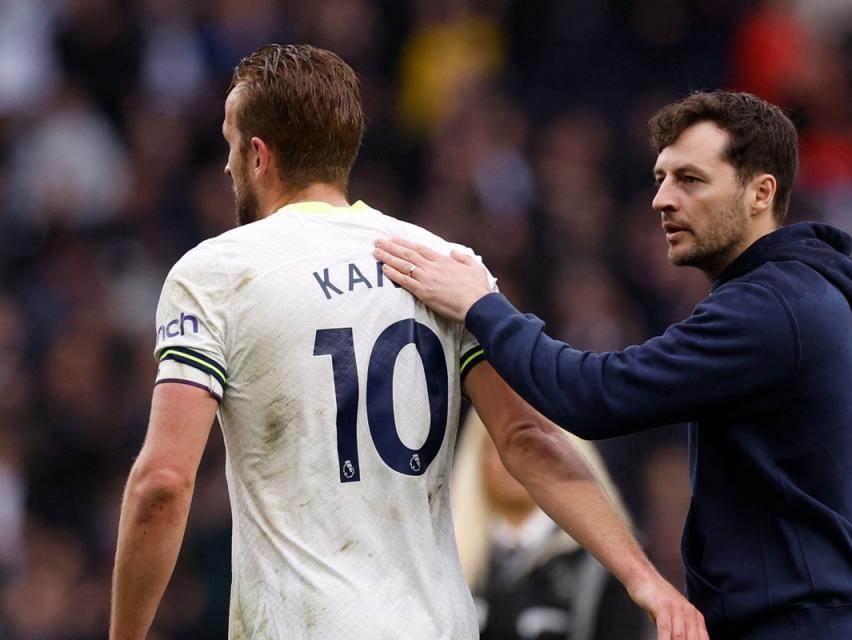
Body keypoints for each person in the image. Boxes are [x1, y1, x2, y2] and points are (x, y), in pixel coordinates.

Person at [109, 44, 707, 640]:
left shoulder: (216, 273)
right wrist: (644, 579)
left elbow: (163, 482)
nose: (225, 166)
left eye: (230, 144)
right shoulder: (442, 263)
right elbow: (528, 437)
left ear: (258, 156)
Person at [374, 90, 852, 639]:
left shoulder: (767, 307)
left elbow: (593, 395)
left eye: (690, 179)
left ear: (761, 192)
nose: (661, 199)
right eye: (660, 178)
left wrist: (482, 306)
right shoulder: (811, 301)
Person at [453, 409, 652, 640]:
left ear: (563, 453)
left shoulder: (606, 565)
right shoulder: (446, 557)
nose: (511, 457)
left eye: (528, 443)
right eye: (496, 444)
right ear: (478, 457)